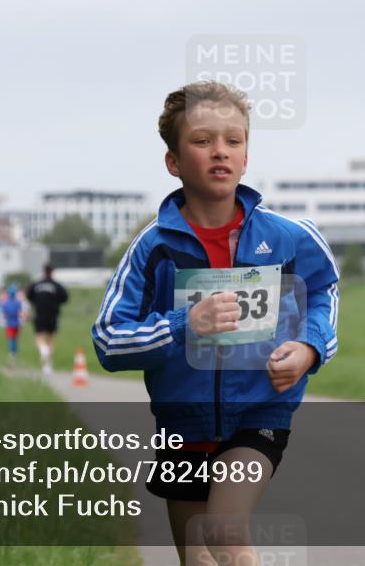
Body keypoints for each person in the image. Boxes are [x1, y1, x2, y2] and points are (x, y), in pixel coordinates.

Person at [91, 82, 340, 565]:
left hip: (259, 416)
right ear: (174, 161)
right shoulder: (153, 248)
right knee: (197, 558)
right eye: (202, 141)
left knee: (226, 533)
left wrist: (310, 348)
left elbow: (324, 293)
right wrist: (186, 324)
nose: (220, 152)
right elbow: (108, 340)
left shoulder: (290, 238)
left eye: (233, 140)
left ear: (246, 157)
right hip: (181, 424)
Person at [26, 264, 69, 375]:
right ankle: (48, 365)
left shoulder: (36, 284)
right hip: (53, 315)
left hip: (39, 314)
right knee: (50, 339)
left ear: (43, 271)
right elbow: (65, 298)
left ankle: (43, 350)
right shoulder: (57, 285)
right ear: (52, 272)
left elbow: (29, 296)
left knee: (39, 337)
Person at [1, 284, 24, 366]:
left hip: (9, 324)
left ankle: (11, 357)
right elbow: (20, 314)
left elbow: (3, 315)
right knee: (15, 340)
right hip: (16, 324)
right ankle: (14, 357)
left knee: (11, 340)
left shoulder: (5, 303)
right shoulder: (18, 302)